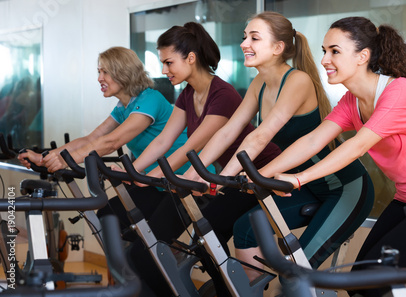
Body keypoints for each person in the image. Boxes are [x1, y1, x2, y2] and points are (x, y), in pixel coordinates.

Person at [265, 17, 406, 296]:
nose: (324, 60)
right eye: (324, 50)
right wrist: (263, 174)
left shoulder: (399, 91)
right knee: (360, 283)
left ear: (362, 56)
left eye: (334, 51)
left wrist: (299, 179)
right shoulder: (351, 101)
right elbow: (313, 140)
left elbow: (356, 146)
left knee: (370, 282)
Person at [184, 11, 374, 281]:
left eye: (254, 38)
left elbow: (260, 136)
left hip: (345, 189)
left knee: (297, 273)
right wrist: (197, 174)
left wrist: (223, 179)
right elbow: (229, 131)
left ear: (278, 48)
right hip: (303, 186)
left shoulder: (297, 80)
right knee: (245, 228)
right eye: (244, 37)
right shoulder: (259, 83)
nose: (244, 44)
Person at [124, 22, 281, 296]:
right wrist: (135, 171)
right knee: (205, 238)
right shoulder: (187, 94)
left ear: (191, 58)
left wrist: (161, 175)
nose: (164, 70)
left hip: (260, 174)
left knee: (208, 235)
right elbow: (165, 140)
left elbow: (195, 146)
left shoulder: (223, 94)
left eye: (169, 62)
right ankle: (226, 291)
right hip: (234, 177)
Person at [18, 46, 190, 234]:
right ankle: (130, 262)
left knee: (150, 239)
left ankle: (143, 261)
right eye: (99, 72)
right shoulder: (124, 107)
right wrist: (45, 157)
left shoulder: (151, 99)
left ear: (123, 72)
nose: (99, 78)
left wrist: (65, 160)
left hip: (183, 182)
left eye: (105, 72)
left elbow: (111, 142)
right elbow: (92, 139)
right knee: (109, 217)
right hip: (154, 183)